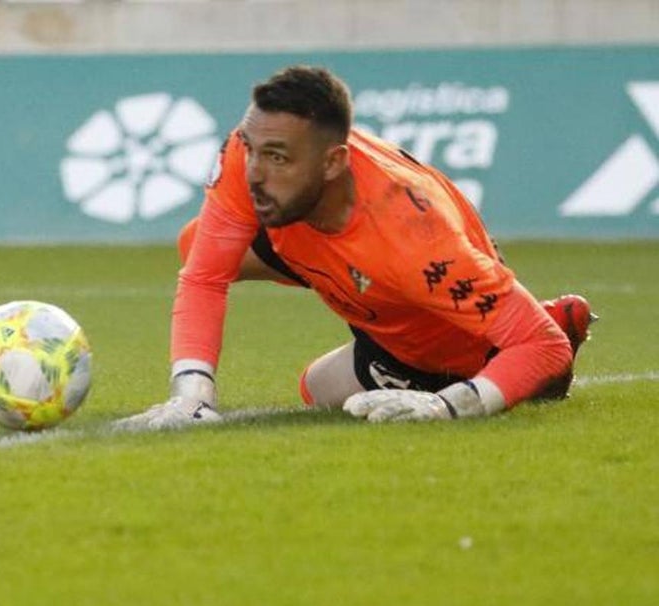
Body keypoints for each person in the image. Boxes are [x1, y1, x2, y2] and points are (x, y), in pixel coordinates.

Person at [118, 65, 595, 429]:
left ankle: (523, 351)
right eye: (252, 149)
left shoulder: (416, 237)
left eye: (277, 158)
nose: (255, 173)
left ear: (333, 163)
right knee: (198, 244)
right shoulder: (250, 155)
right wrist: (192, 394)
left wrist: (452, 404)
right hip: (354, 264)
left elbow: (542, 345)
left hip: (434, 327)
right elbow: (205, 275)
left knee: (319, 389)